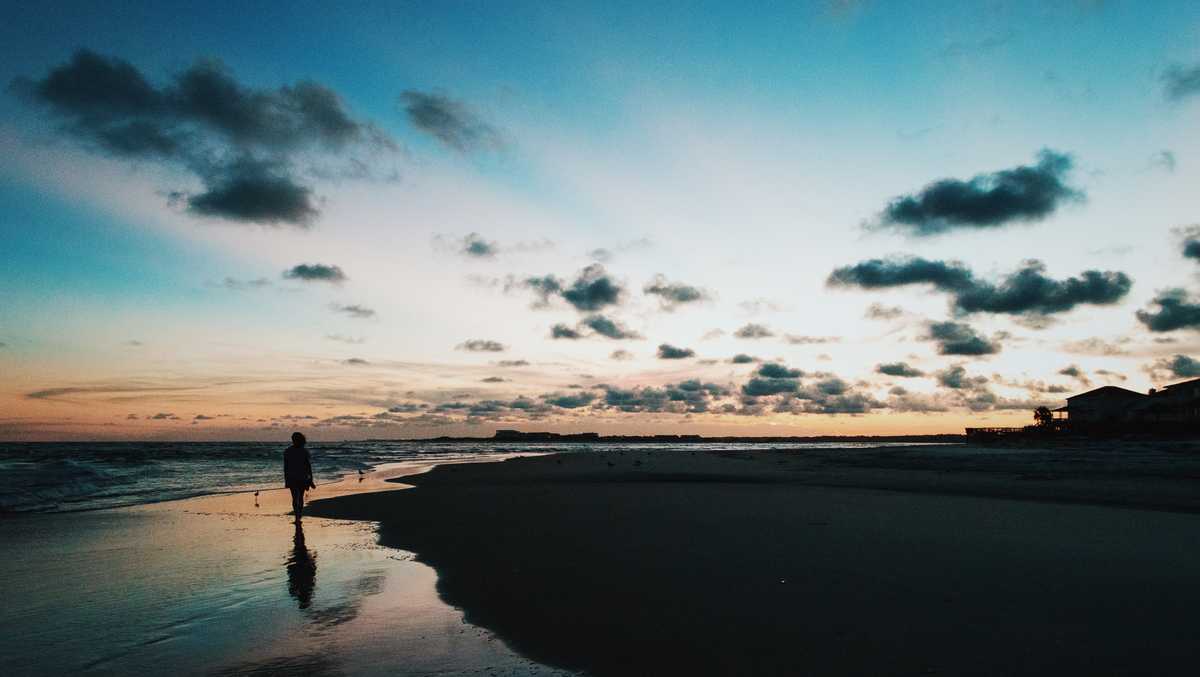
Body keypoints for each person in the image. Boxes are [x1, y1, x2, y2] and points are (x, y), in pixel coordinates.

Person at [284, 432, 315, 522]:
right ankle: (299, 515)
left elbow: (286, 467)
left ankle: (297, 516)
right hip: (302, 477)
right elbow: (308, 466)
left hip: (292, 477)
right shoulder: (304, 451)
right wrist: (311, 479)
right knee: (300, 497)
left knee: (295, 498)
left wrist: (286, 479)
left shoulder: (287, 451)